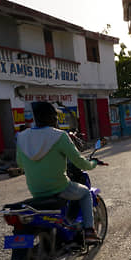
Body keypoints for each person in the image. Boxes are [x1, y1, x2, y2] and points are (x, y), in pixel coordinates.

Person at [16, 102, 101, 244]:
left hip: (36, 190)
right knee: (86, 193)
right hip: (59, 188)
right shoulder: (59, 136)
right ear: (52, 118)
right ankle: (89, 231)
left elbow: (20, 164)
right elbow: (80, 162)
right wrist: (93, 163)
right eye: (55, 117)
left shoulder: (22, 137)